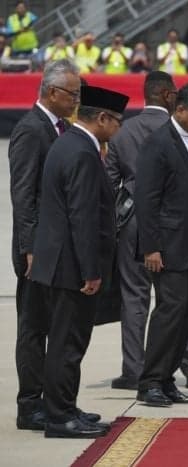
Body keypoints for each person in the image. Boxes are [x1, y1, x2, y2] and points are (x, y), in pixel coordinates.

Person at [31, 84, 128, 438]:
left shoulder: (72, 143)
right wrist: (91, 270)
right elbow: (82, 216)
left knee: (69, 342)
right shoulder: (82, 153)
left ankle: (66, 407)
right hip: (71, 267)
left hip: (63, 262)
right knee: (66, 344)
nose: (119, 129)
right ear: (101, 118)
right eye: (117, 121)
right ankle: (59, 417)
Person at [134, 83, 188, 407]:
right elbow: (147, 199)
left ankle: (168, 378)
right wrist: (151, 247)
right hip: (167, 247)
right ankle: (150, 381)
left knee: (185, 313)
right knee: (169, 311)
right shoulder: (158, 144)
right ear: (180, 109)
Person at [9, 59, 81, 432]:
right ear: (52, 93)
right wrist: (29, 248)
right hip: (38, 252)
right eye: (73, 94)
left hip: (60, 251)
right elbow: (23, 195)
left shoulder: (61, 128)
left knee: (60, 327)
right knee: (35, 328)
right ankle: (30, 403)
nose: (77, 100)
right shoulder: (31, 131)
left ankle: (58, 401)